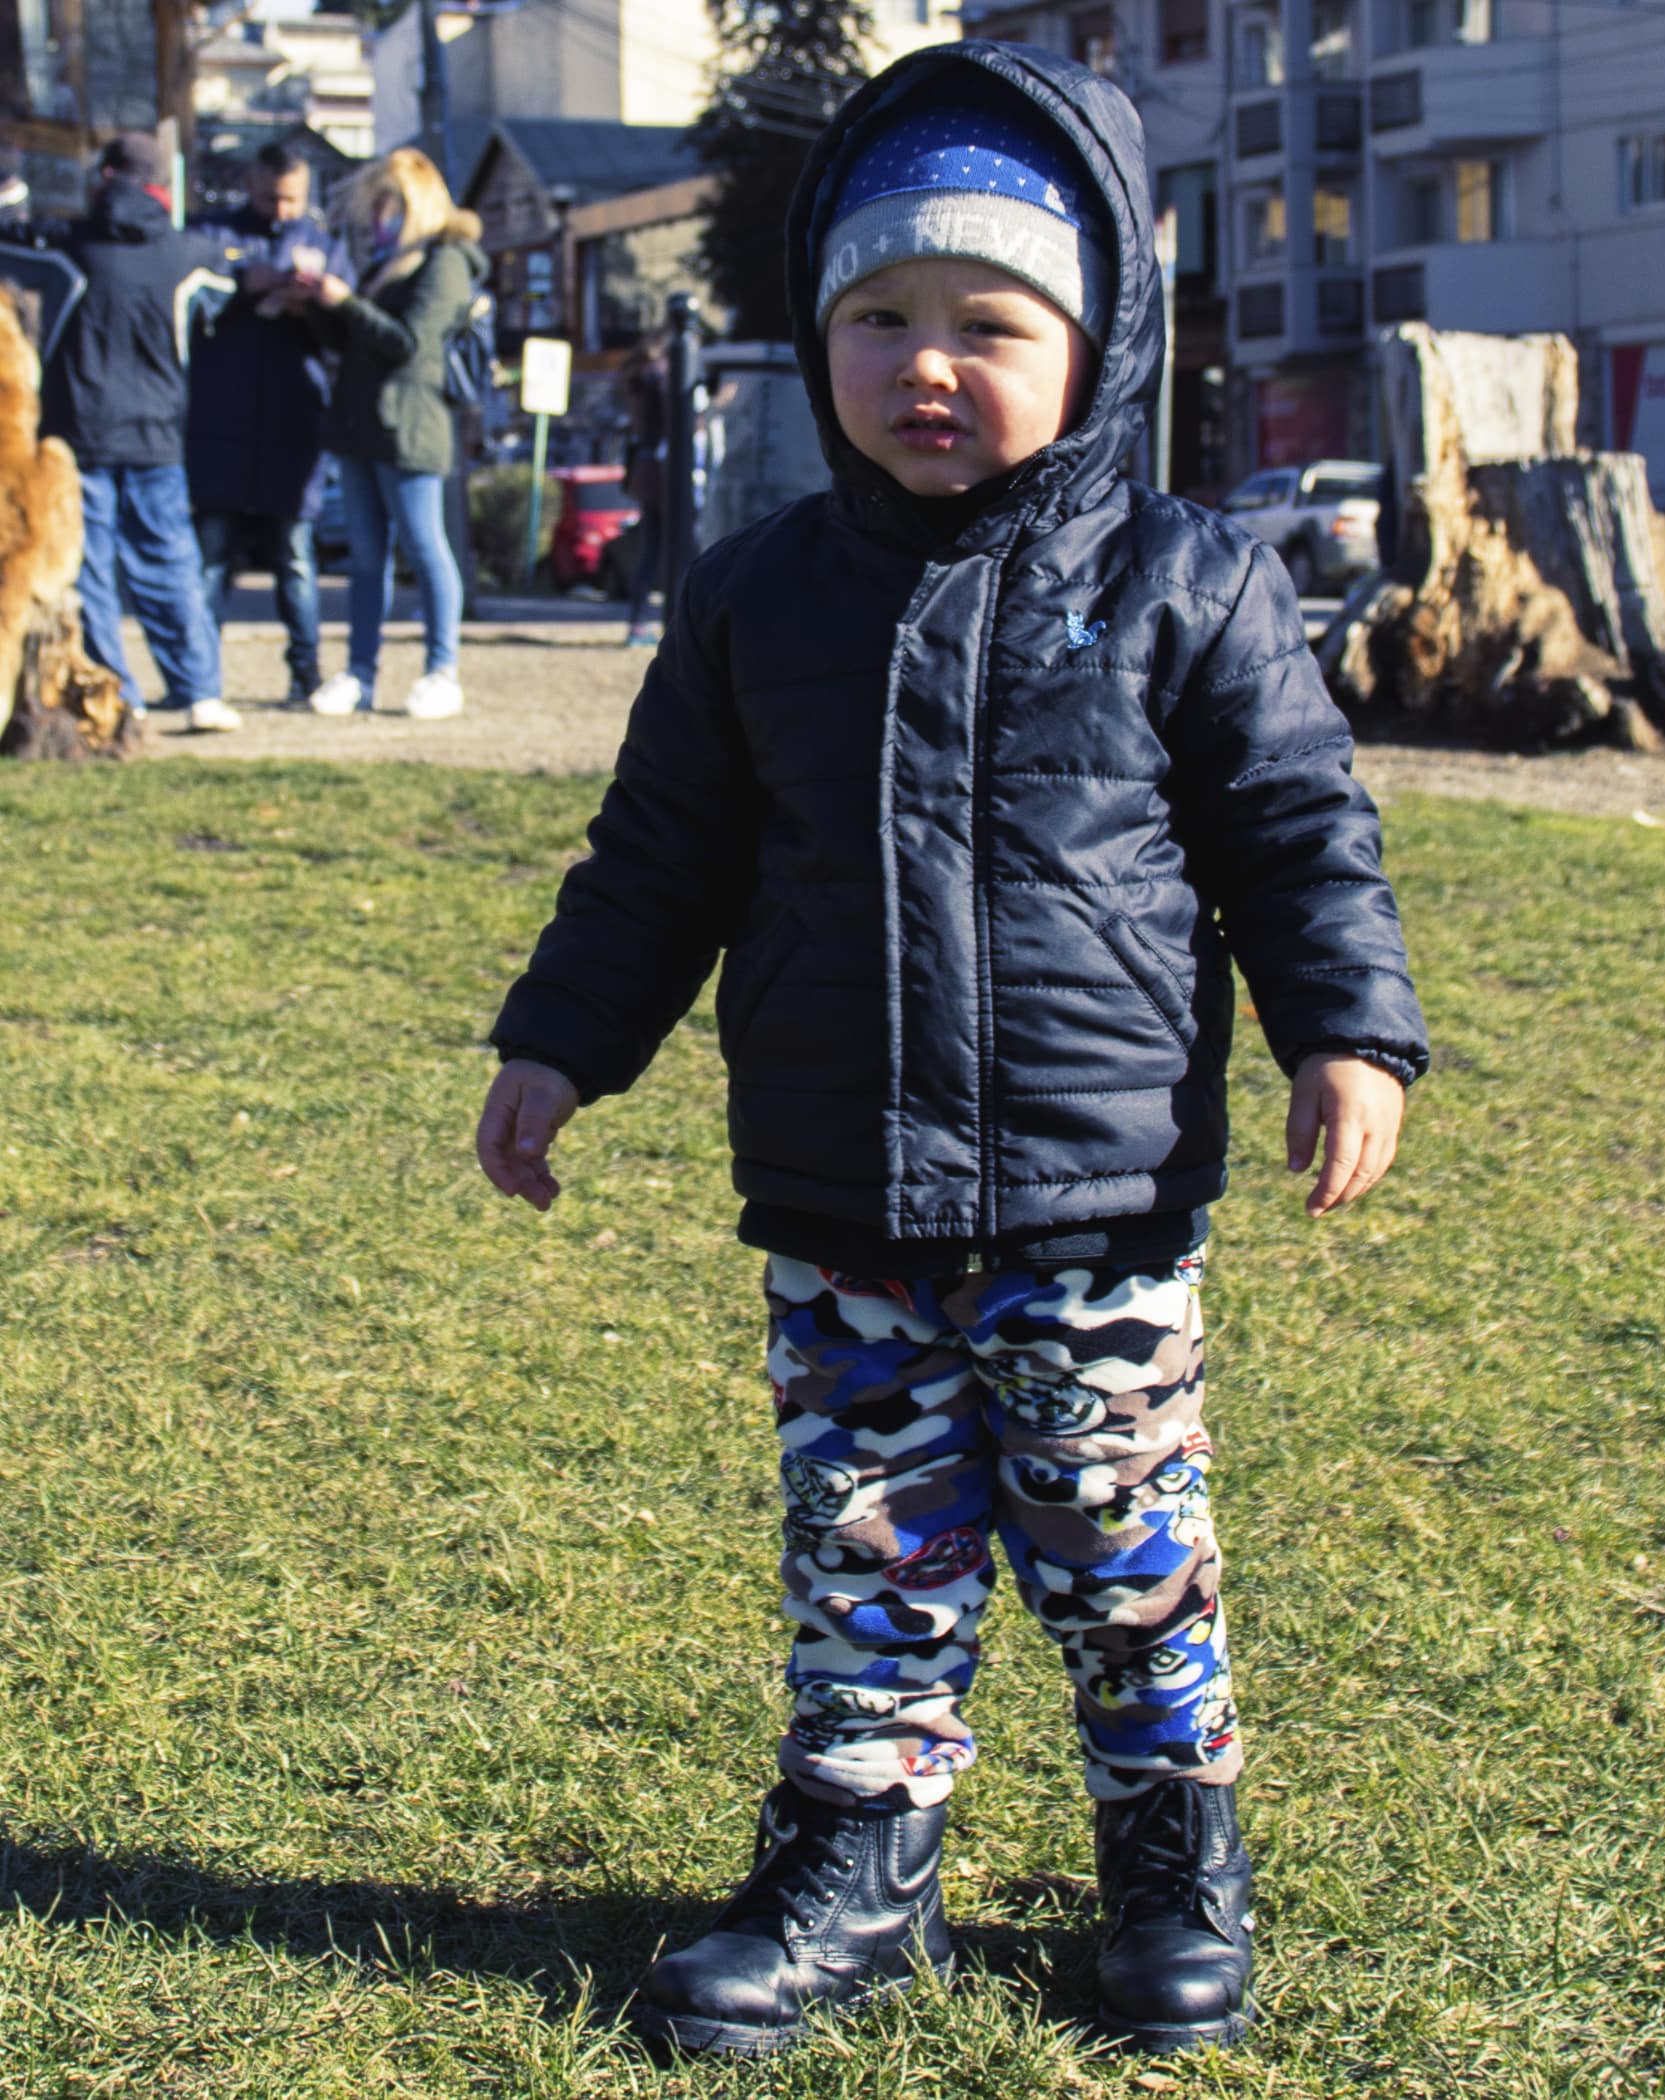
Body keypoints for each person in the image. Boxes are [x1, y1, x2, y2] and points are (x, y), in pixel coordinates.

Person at [475, 41, 1429, 2062]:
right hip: (841, 1203)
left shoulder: (1188, 585)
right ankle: (858, 1863)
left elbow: (1297, 840)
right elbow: (657, 861)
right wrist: (560, 1043)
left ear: (1100, 345)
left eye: (990, 324)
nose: (928, 362)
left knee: (1118, 1542)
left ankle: (1173, 1860)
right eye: (879, 317)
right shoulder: (754, 602)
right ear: (818, 337)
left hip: (1093, 1205)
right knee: (868, 1546)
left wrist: (1347, 1034)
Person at [39, 133, 240, 732]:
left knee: (93, 570)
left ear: (103, 177)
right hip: (157, 434)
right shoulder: (188, 255)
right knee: (171, 561)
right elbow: (227, 292)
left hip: (79, 433)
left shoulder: (67, 248)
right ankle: (200, 690)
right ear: (161, 186)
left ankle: (119, 695)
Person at [298, 148, 486, 719]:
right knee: (365, 558)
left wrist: (346, 300)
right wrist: (314, 304)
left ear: (418, 203)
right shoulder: (389, 261)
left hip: (411, 428)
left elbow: (408, 343)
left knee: (426, 547)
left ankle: (441, 670)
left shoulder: (446, 262)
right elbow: (354, 341)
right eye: (377, 202)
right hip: (361, 426)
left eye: (390, 201)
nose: (381, 213)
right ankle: (360, 673)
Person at [187, 143, 349, 707]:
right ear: (249, 185)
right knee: (210, 557)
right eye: (269, 197)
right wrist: (240, 284)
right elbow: (185, 305)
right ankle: (197, 680)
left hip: (292, 426)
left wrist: (320, 306)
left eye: (292, 200)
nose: (280, 211)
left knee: (297, 559)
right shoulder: (210, 235)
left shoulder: (326, 245)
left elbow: (346, 335)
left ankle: (306, 675)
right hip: (220, 424)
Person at [618, 330, 671, 645]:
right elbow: (677, 422)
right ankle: (646, 624)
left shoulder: (635, 380)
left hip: (643, 469)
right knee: (675, 546)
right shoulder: (660, 378)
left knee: (650, 549)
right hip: (661, 472)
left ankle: (637, 622)